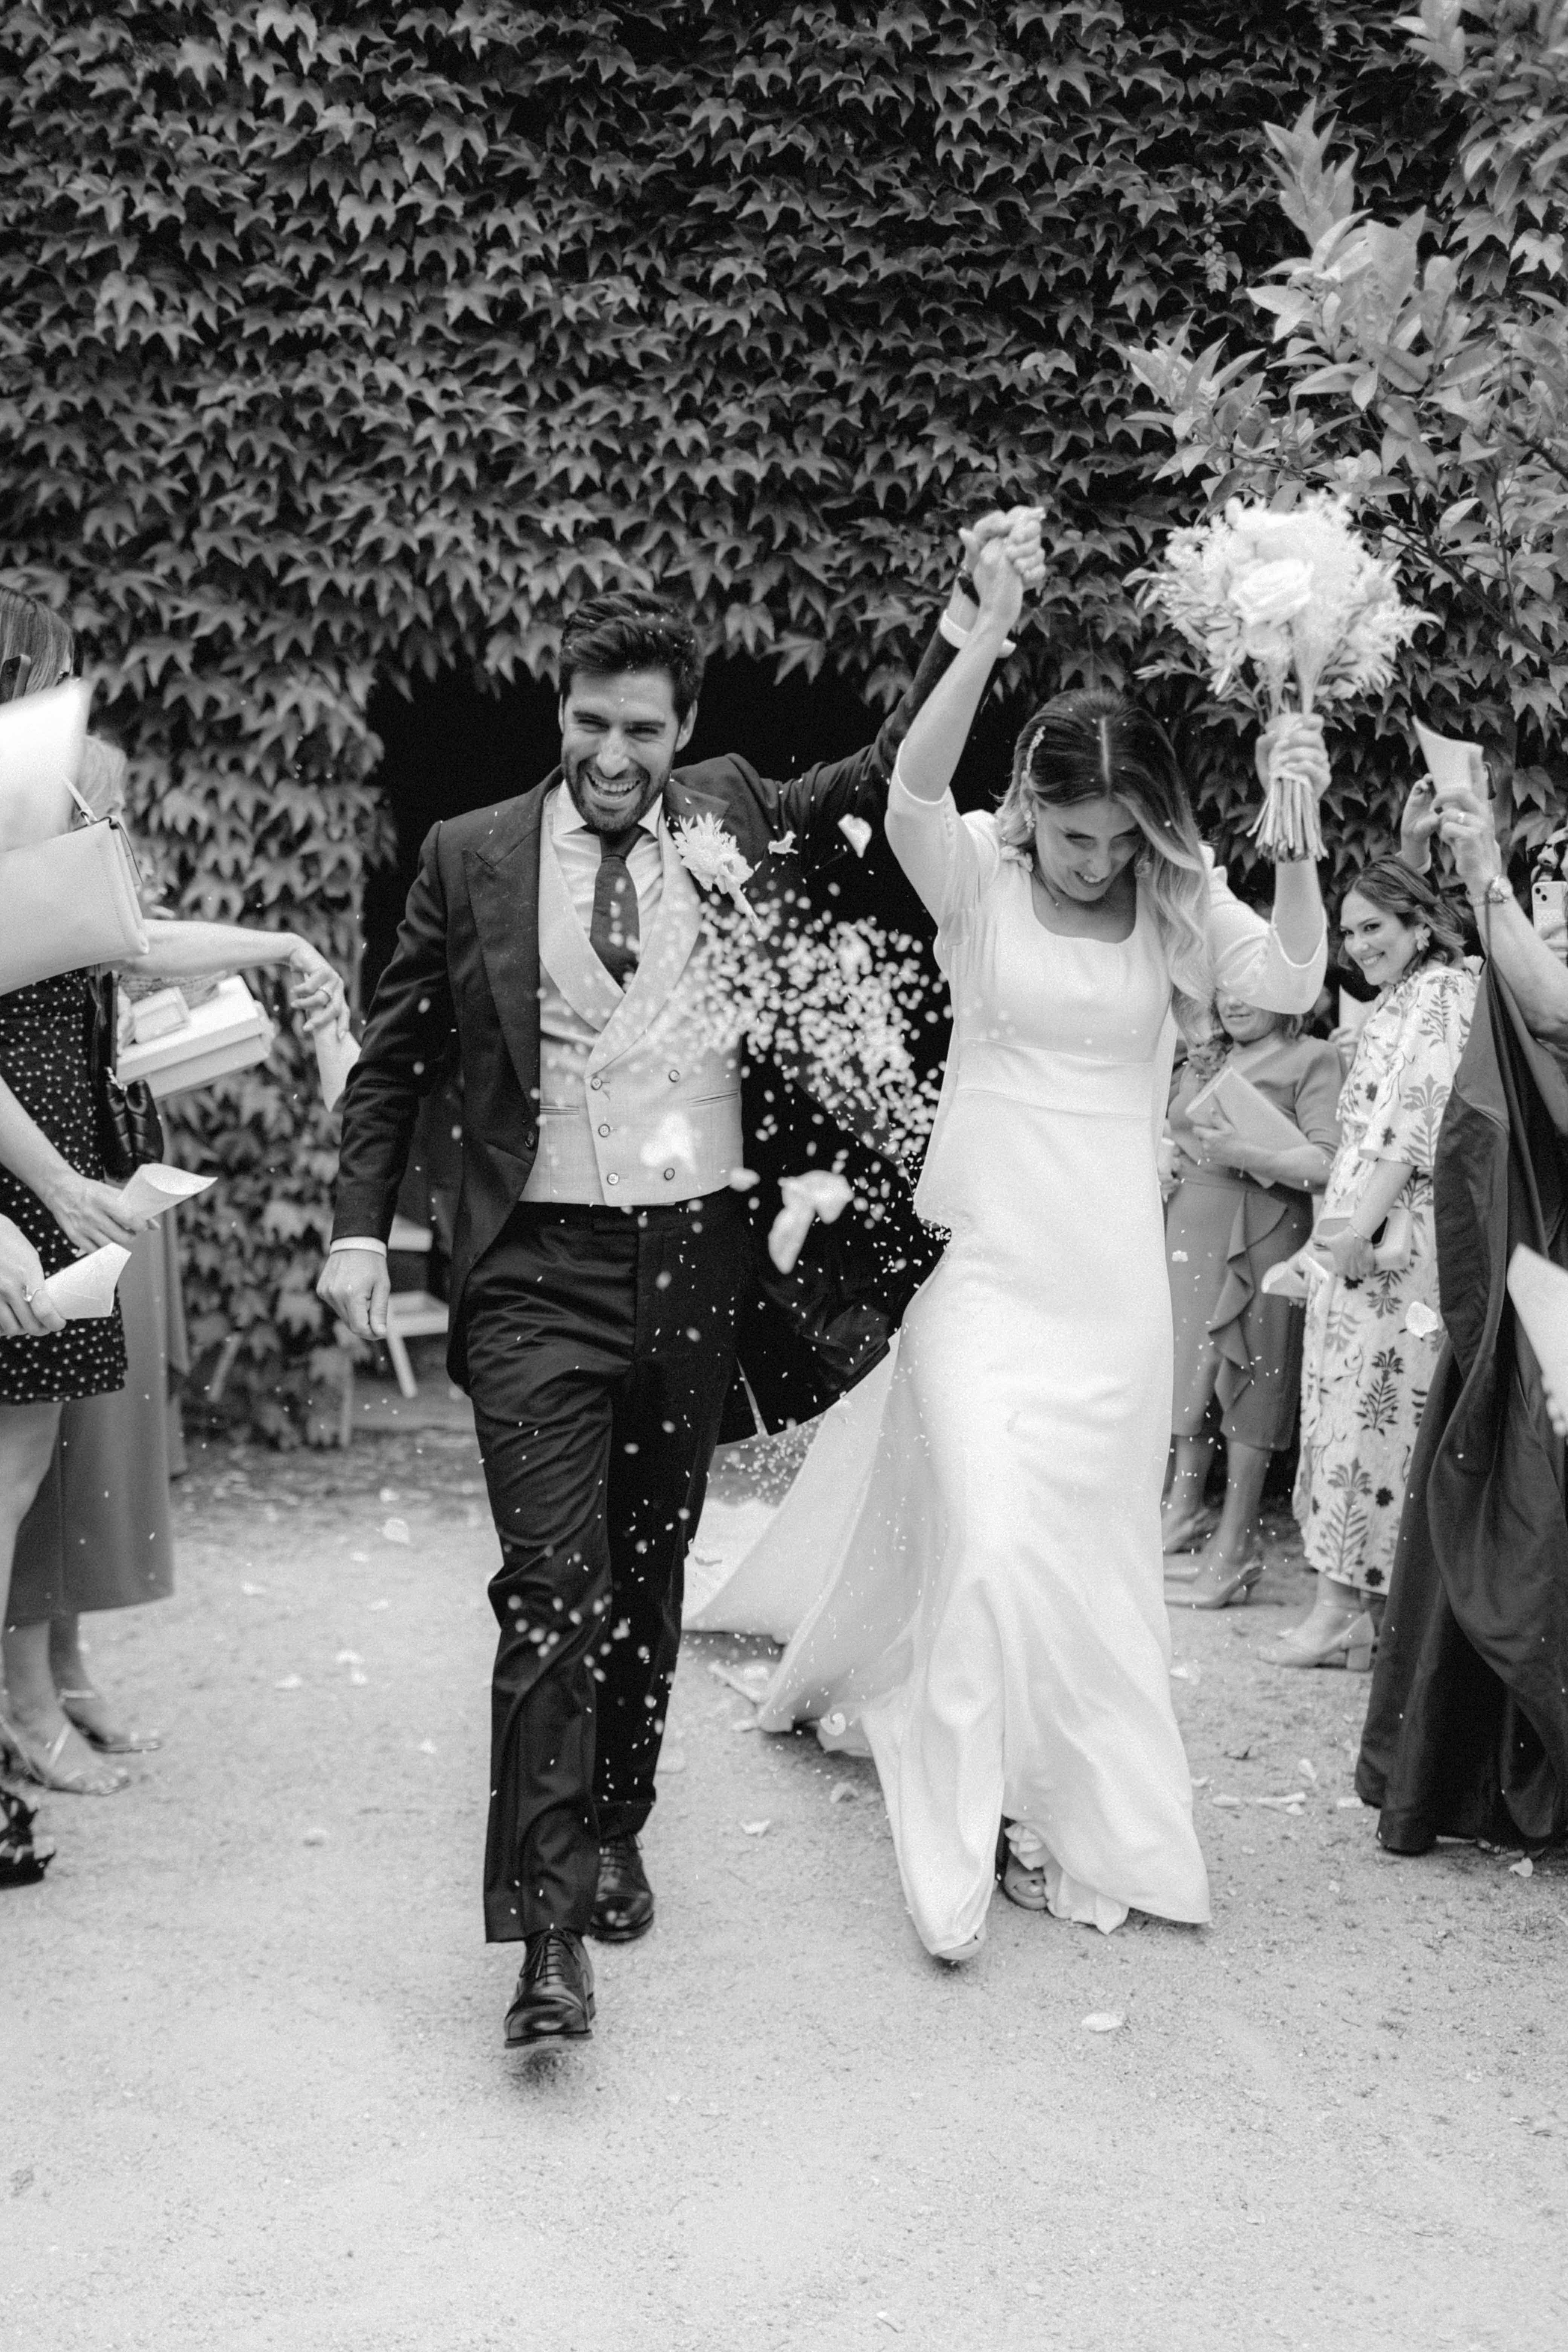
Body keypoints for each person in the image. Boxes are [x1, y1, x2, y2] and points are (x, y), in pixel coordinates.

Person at [317, 529, 1040, 2046]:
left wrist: (963, 632)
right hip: (532, 1268)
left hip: (696, 1260)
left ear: (684, 728)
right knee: (550, 1584)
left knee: (647, 1564)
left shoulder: (732, 813)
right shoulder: (468, 853)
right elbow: (393, 1064)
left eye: (641, 730)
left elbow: (880, 773)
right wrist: (355, 1234)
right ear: (559, 711)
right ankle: (545, 1934)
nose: (612, 755)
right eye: (590, 722)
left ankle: (617, 1818)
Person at [717, 541, 1329, 1960]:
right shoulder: (976, 881)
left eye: (1123, 839)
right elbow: (911, 789)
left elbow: (1293, 979)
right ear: (1033, 814)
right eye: (1076, 837)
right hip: (980, 1269)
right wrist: (984, 633)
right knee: (991, 1543)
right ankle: (965, 1818)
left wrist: (1297, 839)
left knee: (1086, 1561)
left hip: (1107, 1288)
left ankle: (1062, 1802)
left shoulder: (1177, 907)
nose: (1100, 861)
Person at [1358, 763, 1568, 1851]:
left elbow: (1556, 1008)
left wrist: (1485, 873)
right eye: (1547, 895)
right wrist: (1460, 871)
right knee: (1508, 1484)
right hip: (1540, 1259)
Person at [1264, 859, 1476, 1672]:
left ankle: (1341, 1611)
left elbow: (1415, 1118)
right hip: (1363, 1219)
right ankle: (1362, 1614)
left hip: (1393, 1233)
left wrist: (1356, 1227)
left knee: (1370, 1415)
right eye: (1347, 932)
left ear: (1419, 926)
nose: (1356, 945)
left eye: (1372, 928)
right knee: (1347, 1407)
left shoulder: (1442, 990)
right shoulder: (1402, 993)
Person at [1159, 991, 1341, 1608]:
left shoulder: (1312, 1057)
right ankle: (1183, 1512)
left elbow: (1327, 1162)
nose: (1235, 1000)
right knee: (1188, 1371)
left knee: (1249, 1381)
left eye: (1253, 985)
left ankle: (1236, 1545)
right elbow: (1172, 1125)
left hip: (1262, 1226)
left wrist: (1246, 1155)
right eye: (1227, 985)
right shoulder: (1203, 1054)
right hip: (1190, 1223)